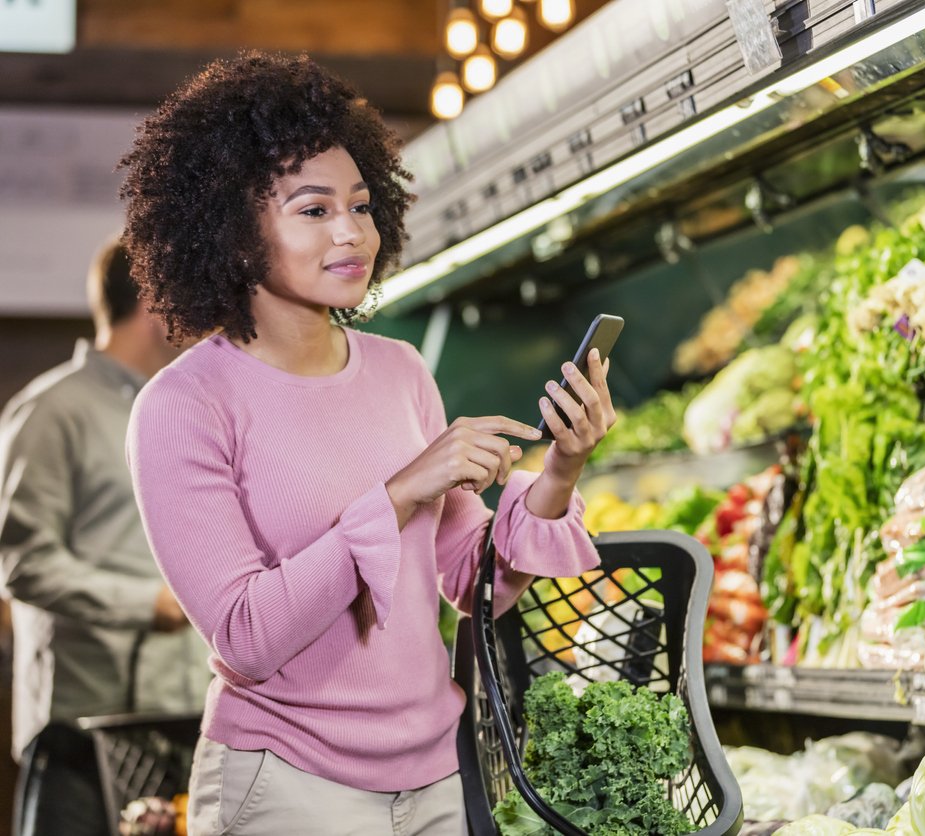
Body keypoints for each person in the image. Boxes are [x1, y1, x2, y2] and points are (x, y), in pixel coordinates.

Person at [119, 52, 613, 835]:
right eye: (314, 211)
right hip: (285, 786)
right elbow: (246, 639)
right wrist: (397, 493)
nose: (353, 233)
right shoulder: (182, 407)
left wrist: (562, 466)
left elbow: (470, 585)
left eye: (362, 204)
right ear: (233, 228)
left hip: (439, 775)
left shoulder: (401, 369)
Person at [0, 239, 210, 836]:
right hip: (79, 738)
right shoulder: (50, 411)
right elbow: (22, 564)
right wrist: (149, 604)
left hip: (186, 723)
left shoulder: (187, 411)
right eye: (192, 295)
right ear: (152, 300)